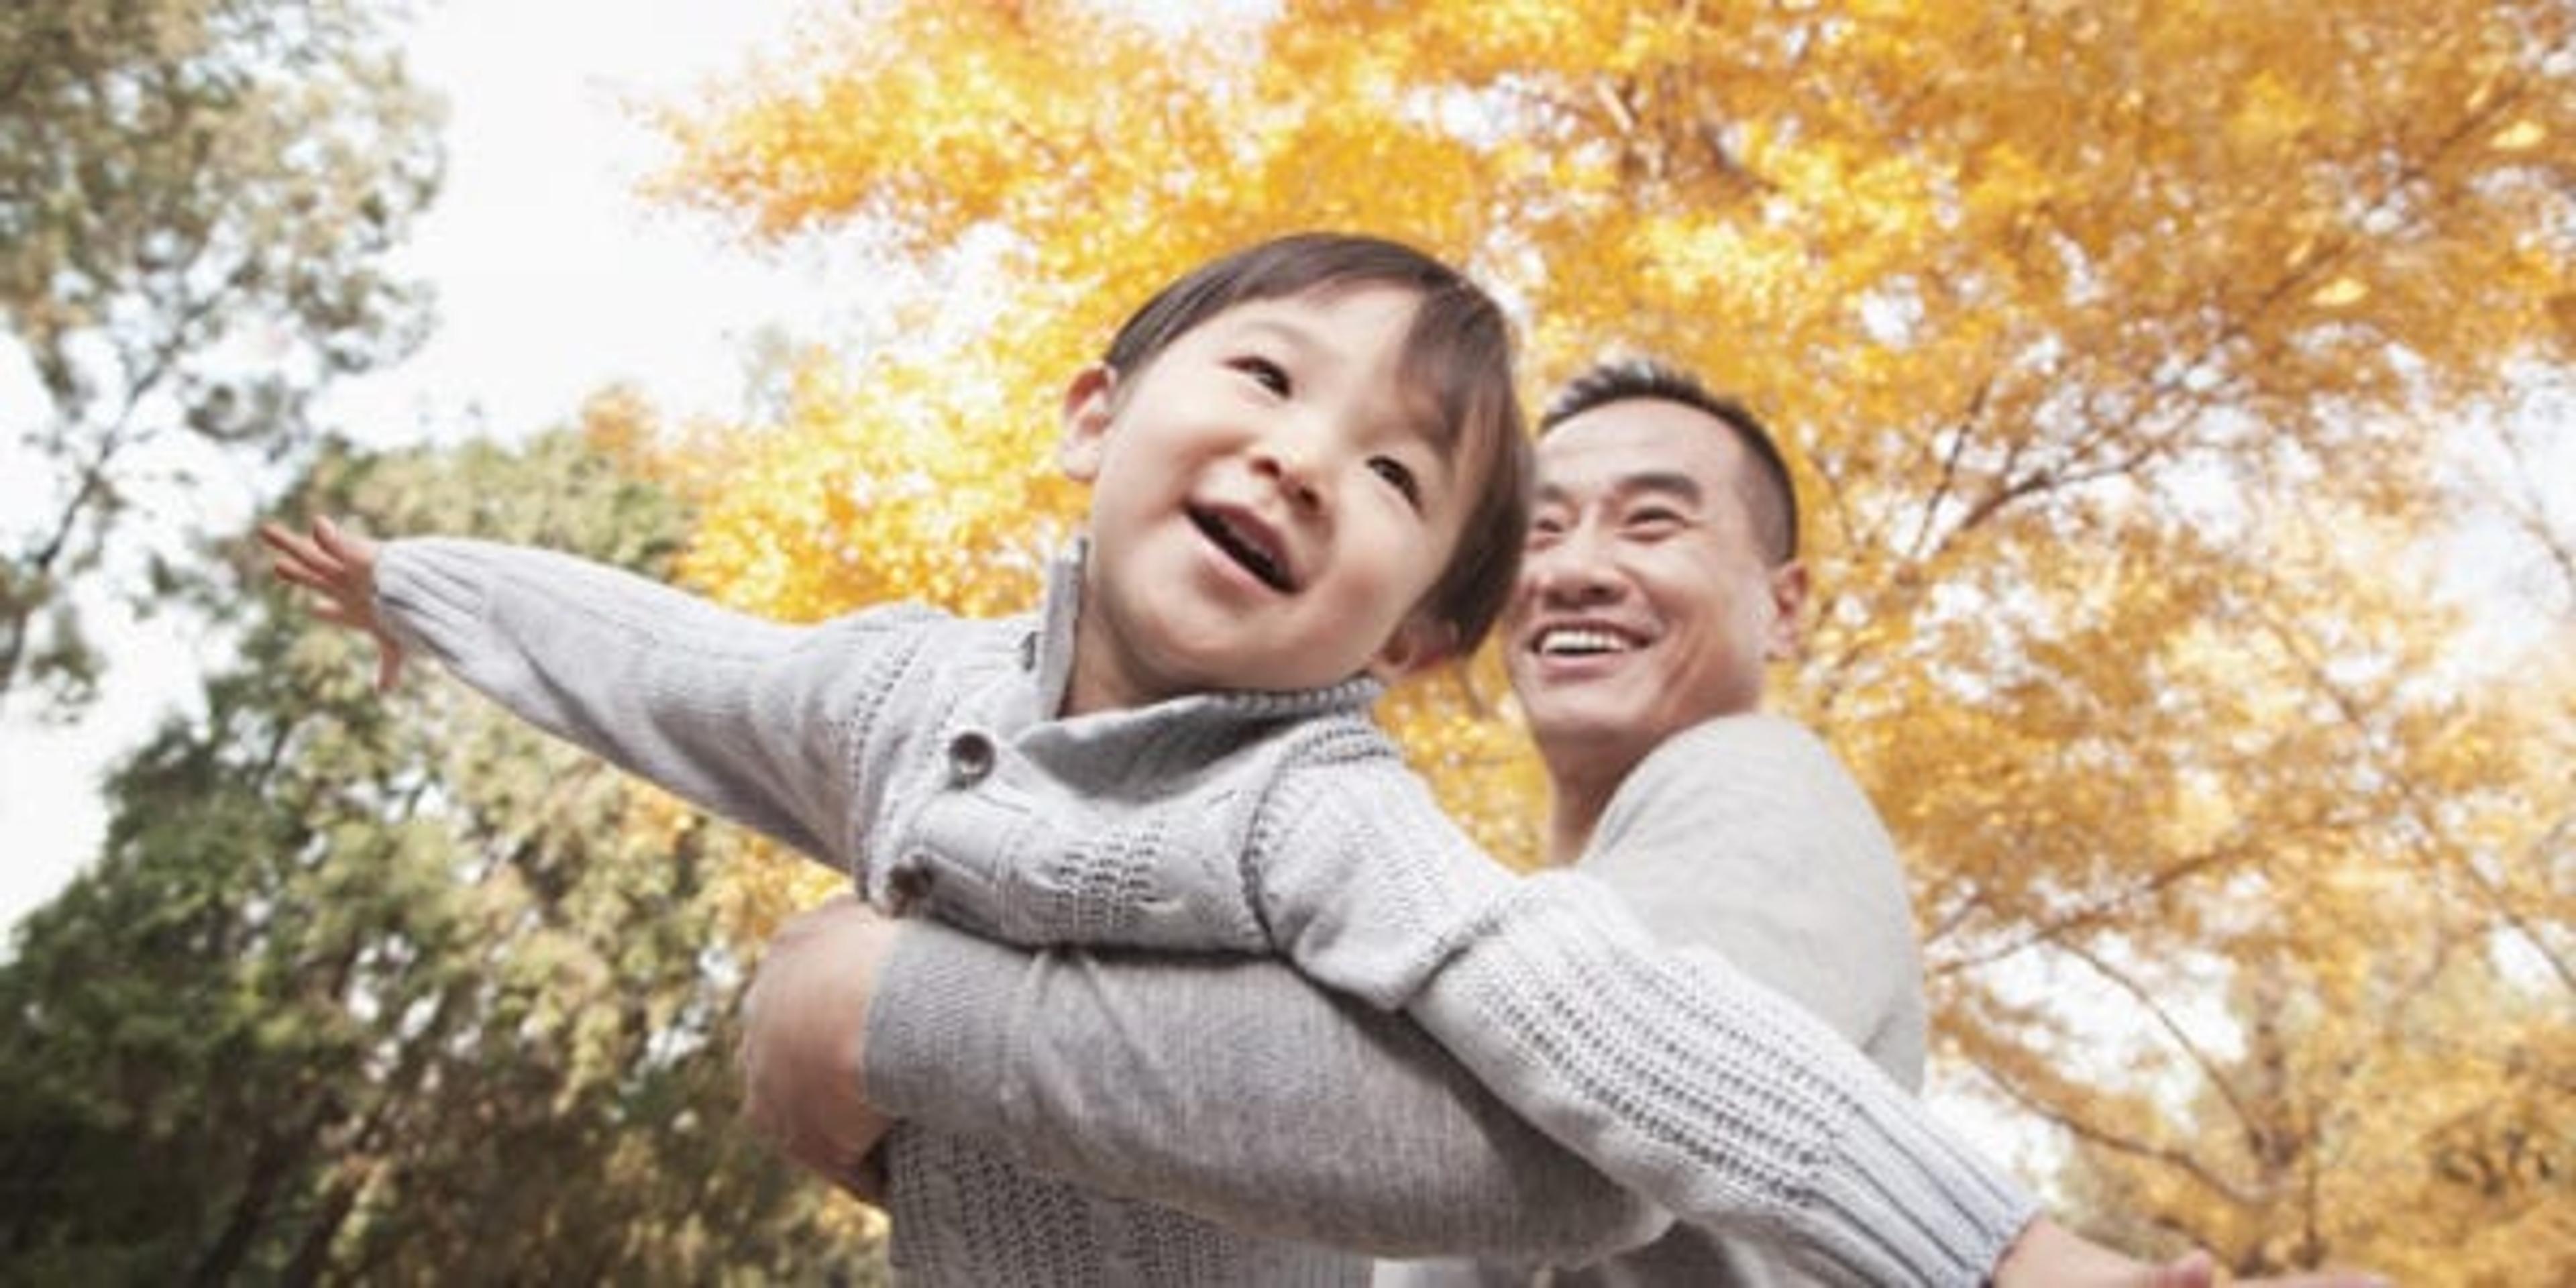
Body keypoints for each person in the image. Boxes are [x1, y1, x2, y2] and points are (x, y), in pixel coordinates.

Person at [264, 233, 2343, 1287]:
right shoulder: (910, 695)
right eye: (1262, 376)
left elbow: (1614, 1070)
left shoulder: (1348, 815)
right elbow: (692, 669)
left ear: (1405, 631)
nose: (1295, 455)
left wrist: (2002, 1252)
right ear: (1097, 413)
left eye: (1394, 474)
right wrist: (428, 591)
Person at [739, 360, 2374, 1287]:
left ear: (1784, 606)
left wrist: (896, 1011)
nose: (1577, 567)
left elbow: (1571, 1142)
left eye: (1653, 524)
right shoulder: (1511, 904)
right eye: (1542, 531)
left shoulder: (1752, 782)